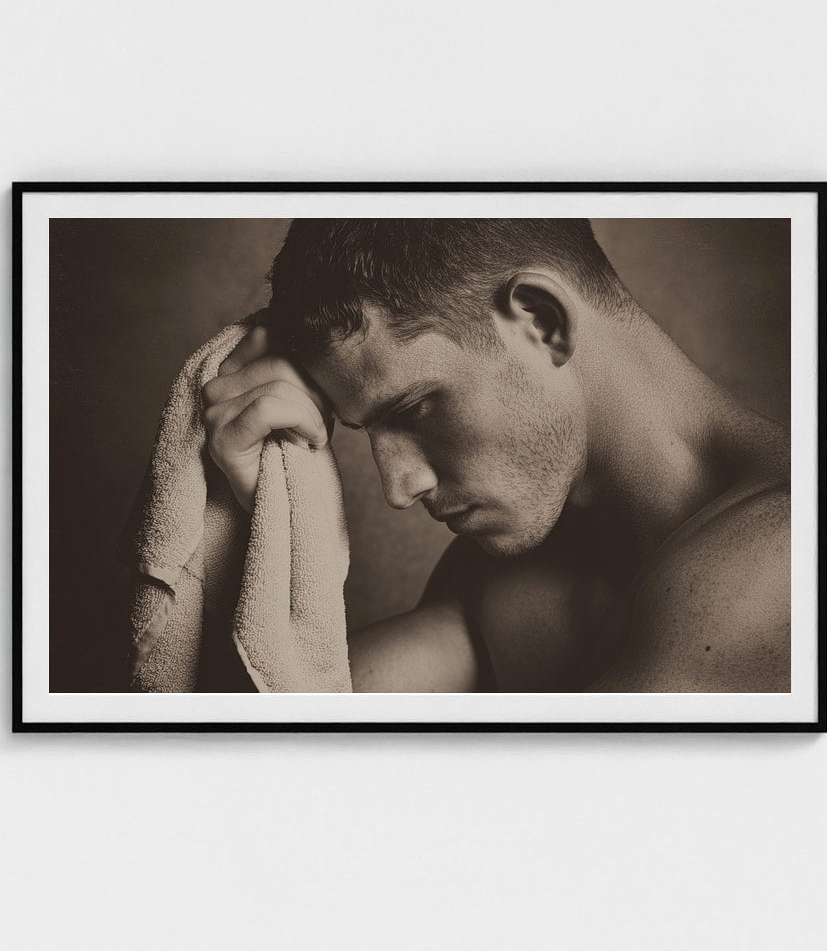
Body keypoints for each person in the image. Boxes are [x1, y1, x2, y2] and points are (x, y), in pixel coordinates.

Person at [200, 219, 791, 693]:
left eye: (412, 410)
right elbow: (280, 735)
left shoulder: (784, 556)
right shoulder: (499, 575)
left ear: (541, 320)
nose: (398, 487)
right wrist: (276, 500)